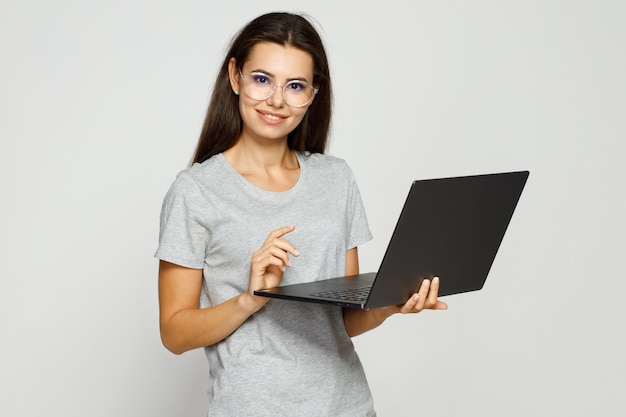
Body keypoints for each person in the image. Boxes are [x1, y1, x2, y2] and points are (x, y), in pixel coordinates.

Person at [155, 12, 448, 417]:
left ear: (313, 94)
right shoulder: (196, 191)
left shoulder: (336, 179)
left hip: (348, 406)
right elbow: (174, 332)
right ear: (235, 76)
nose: (277, 100)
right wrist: (249, 299)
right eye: (262, 79)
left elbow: (343, 320)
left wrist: (390, 304)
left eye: (295, 86)